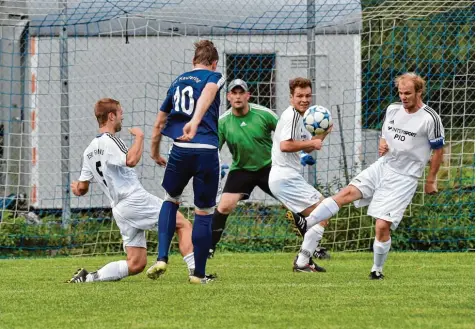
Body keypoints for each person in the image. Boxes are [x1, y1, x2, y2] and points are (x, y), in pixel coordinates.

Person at [302, 72, 445, 279]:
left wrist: (431, 180)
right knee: (347, 193)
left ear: (419, 92)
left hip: (404, 178)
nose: (403, 97)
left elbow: (439, 150)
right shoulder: (393, 109)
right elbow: (385, 133)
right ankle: (306, 223)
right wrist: (382, 142)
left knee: (381, 225)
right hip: (382, 166)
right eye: (400, 93)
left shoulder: (430, 118)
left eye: (408, 93)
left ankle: (376, 271)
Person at [67, 98, 195, 283]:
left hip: (119, 208)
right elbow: (131, 160)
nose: (122, 118)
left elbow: (82, 188)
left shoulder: (88, 151)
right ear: (111, 116)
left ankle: (88, 278)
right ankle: (196, 272)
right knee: (181, 223)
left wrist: (77, 188)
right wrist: (140, 137)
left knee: (136, 263)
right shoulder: (110, 141)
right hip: (134, 199)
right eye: (120, 114)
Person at [209, 79, 330, 260]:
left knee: (294, 206)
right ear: (228, 96)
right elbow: (214, 150)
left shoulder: (263, 114)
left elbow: (285, 133)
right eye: (234, 93)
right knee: (224, 206)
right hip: (241, 169)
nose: (238, 96)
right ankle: (209, 248)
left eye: (241, 92)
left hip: (269, 167)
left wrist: (303, 154)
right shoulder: (223, 121)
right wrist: (214, 168)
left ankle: (314, 247)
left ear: (248, 95)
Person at [148, 40, 225, 284]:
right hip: (205, 150)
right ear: (214, 63)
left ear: (193, 62)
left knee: (170, 200)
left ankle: (161, 257)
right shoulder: (214, 76)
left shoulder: (177, 82)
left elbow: (159, 123)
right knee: (204, 212)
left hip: (179, 150)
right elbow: (209, 93)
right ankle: (198, 274)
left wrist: (155, 151)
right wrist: (196, 120)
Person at [268, 77, 332, 272]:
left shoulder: (304, 118)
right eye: (299, 96)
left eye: (307, 95)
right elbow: (285, 145)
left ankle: (305, 259)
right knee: (324, 211)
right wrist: (312, 143)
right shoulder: (292, 116)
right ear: (291, 98)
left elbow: (309, 147)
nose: (304, 99)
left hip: (287, 177)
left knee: (322, 212)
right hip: (284, 177)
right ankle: (303, 261)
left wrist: (323, 134)